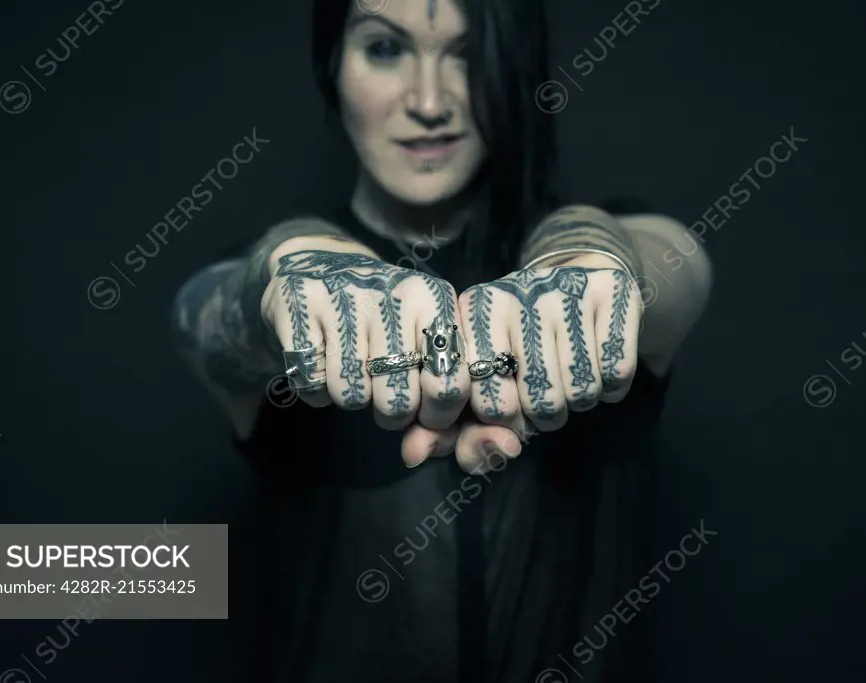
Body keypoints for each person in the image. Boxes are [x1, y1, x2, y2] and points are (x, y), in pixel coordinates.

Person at [169, 0, 711, 680]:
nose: (429, 101)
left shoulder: (608, 251)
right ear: (331, 63)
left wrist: (589, 244)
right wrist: (284, 266)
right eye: (386, 48)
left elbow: (678, 267)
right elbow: (203, 313)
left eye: (467, 52)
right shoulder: (271, 280)